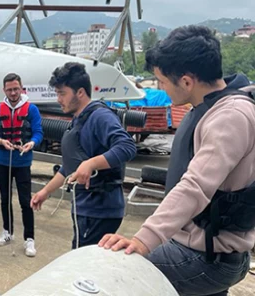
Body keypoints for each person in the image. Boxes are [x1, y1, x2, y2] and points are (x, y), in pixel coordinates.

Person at [99, 25, 255, 296]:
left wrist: (143, 239)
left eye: (162, 81)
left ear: (186, 81)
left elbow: (195, 185)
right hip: (208, 246)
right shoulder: (213, 105)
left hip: (206, 256)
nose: (161, 88)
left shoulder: (229, 117)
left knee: (116, 273)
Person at [30, 62, 136, 249]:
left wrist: (91, 164)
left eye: (62, 93)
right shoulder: (79, 119)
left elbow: (127, 146)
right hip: (86, 207)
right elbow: (71, 167)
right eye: (57, 93)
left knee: (83, 266)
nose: (58, 99)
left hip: (99, 211)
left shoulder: (100, 116)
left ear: (80, 92)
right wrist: (46, 191)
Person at [0, 73, 43, 257]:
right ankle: (7, 232)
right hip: (3, 161)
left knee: (25, 201)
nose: (13, 93)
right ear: (4, 90)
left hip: (23, 161)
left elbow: (38, 133)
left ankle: (29, 239)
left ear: (21, 88)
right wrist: (1, 141)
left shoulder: (31, 109)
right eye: (9, 89)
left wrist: (32, 143)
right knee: (5, 198)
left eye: (16, 89)